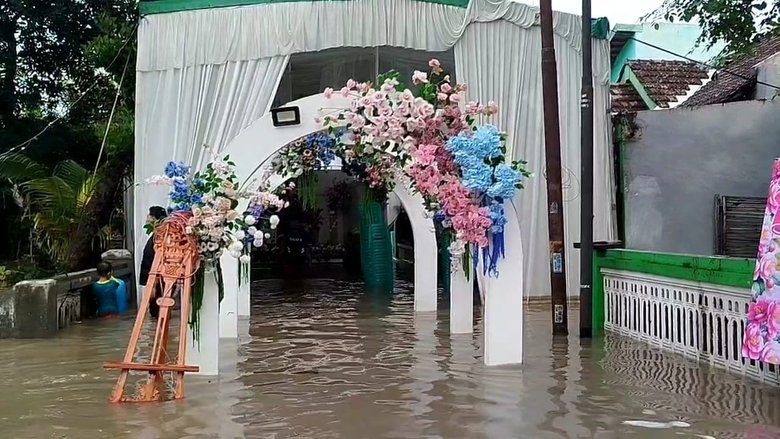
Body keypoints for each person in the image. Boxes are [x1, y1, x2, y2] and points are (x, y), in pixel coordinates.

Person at [140, 206, 167, 318]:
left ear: (154, 218)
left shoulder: (159, 236)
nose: (147, 218)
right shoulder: (157, 234)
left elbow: (155, 259)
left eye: (149, 215)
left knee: (157, 309)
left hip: (156, 277)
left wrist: (153, 284)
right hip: (154, 277)